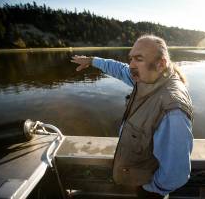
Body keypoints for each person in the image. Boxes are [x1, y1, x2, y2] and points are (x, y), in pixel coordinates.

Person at [70, 35, 194, 199]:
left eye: (139, 59)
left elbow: (176, 174)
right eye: (131, 58)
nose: (131, 65)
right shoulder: (148, 77)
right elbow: (119, 69)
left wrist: (150, 187)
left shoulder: (172, 110)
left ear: (161, 63)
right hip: (140, 175)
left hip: (151, 191)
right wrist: (92, 60)